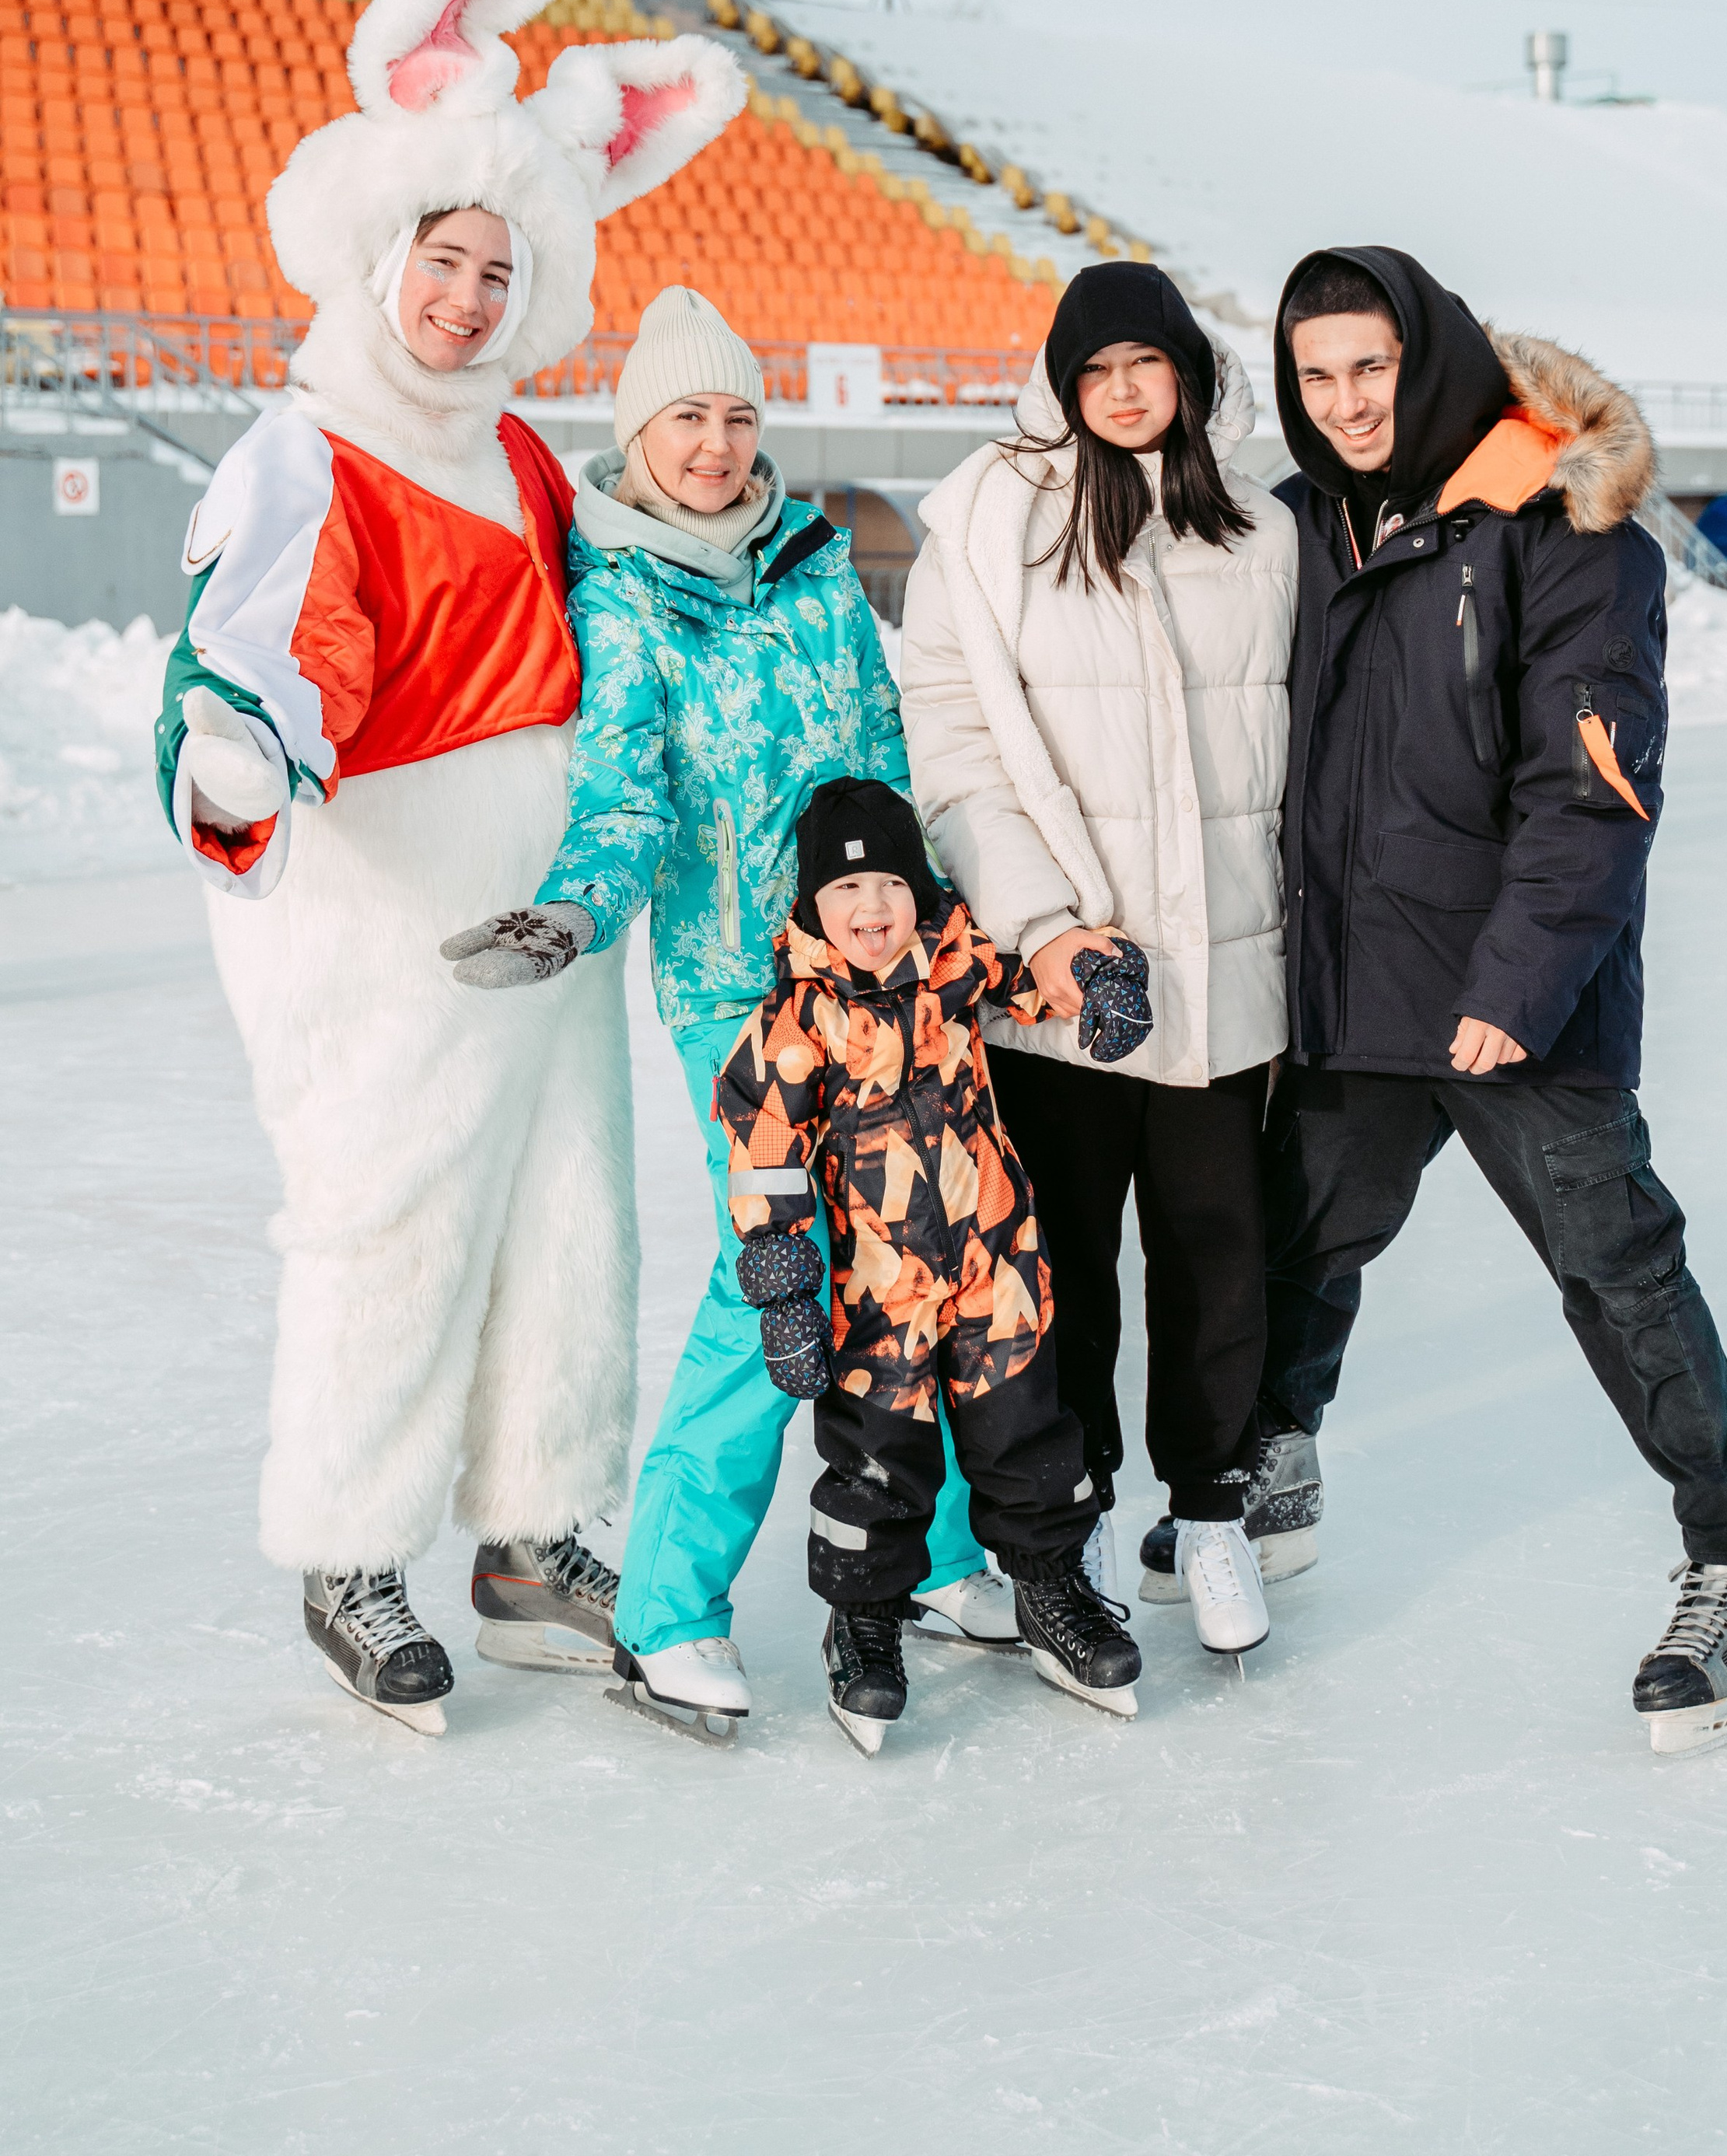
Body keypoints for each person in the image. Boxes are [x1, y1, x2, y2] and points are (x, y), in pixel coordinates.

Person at [153, 0, 746, 1733]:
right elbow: (237, 652)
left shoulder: (516, 453)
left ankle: (529, 1529)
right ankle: (352, 1544)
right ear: (382, 250)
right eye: (446, 259)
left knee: (568, 1214)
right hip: (378, 910)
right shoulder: (308, 443)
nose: (469, 299)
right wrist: (236, 752)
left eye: (501, 272)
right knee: (391, 1211)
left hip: (538, 917)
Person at [1253, 246, 1727, 1756]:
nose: (1346, 401)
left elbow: (1594, 786)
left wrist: (1513, 980)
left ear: (1423, 356)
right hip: (1351, 983)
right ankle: (1272, 1450)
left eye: (1369, 366)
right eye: (1316, 377)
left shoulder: (1565, 518)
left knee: (1612, 1266)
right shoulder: (1303, 525)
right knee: (1296, 1226)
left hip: (1512, 994)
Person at [446, 289, 1006, 1748]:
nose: (715, 442)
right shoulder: (620, 589)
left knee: (916, 1255)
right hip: (734, 1003)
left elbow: (882, 761)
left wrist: (942, 927)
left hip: (873, 980)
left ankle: (935, 1555)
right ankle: (668, 1608)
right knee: (786, 1288)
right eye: (687, 417)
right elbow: (626, 794)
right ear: (638, 435)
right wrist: (573, 906)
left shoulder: (817, 563)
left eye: (736, 414)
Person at [900, 264, 1299, 1662]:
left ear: (1189, 369)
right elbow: (949, 743)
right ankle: (1062, 1528)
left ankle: (1210, 1515)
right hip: (1058, 983)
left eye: (1150, 363)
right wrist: (1047, 928)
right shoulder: (991, 516)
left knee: (1217, 1257)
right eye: (1097, 369)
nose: (1127, 391)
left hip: (1225, 976)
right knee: (1064, 1268)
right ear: (1064, 385)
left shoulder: (1260, 529)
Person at [715, 775, 1144, 1751]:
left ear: (920, 890)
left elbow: (1041, 980)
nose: (873, 910)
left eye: (892, 888)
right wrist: (784, 1284)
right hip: (880, 1293)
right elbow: (766, 1152)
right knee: (874, 1464)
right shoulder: (794, 1021)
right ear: (813, 907)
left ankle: (1052, 1594)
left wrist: (1106, 983)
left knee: (1030, 1438)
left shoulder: (957, 966)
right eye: (846, 894)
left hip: (995, 1266)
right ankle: (863, 1624)